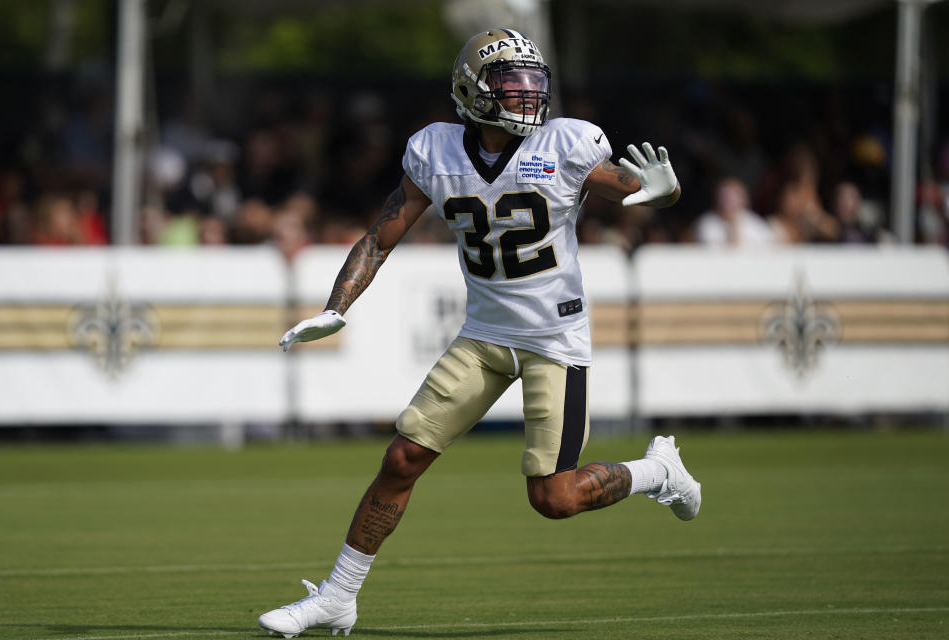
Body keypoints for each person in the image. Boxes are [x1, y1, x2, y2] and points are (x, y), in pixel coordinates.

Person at [258, 28, 701, 638]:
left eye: (532, 83)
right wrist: (337, 306)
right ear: (471, 92)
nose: (526, 96)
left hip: (554, 340)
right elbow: (380, 236)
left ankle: (658, 471)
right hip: (484, 334)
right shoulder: (434, 151)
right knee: (403, 455)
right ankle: (337, 597)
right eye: (511, 84)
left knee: (554, 498)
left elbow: (638, 188)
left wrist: (665, 189)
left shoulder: (566, 143)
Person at [694, 177, 774, 247]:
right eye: (725, 198)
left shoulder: (756, 224)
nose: (729, 202)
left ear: (743, 200)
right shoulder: (707, 223)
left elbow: (768, 247)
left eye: (733, 198)